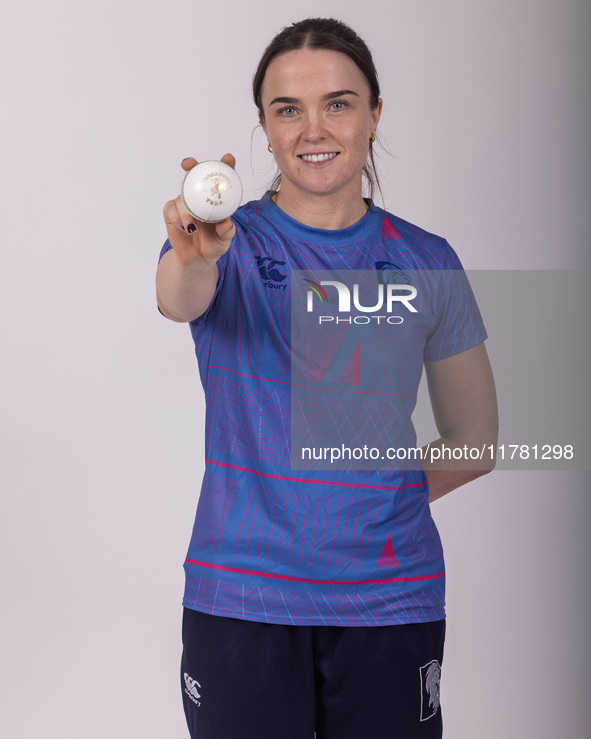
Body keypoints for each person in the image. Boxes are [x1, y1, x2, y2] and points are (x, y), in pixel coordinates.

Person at [156, 17, 498, 739]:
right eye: (288, 109)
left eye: (338, 103)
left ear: (374, 115)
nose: (314, 128)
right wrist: (193, 255)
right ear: (265, 127)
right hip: (240, 600)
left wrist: (381, 483)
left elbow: (476, 439)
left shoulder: (428, 259)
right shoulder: (223, 242)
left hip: (389, 601)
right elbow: (175, 296)